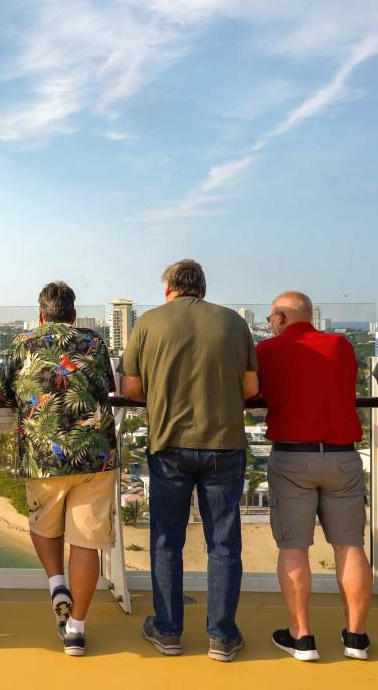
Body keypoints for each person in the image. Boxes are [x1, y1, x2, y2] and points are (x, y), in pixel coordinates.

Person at [121, 259, 258, 663]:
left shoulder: (148, 323)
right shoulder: (234, 322)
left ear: (169, 289)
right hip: (224, 443)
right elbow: (251, 387)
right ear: (203, 287)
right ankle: (222, 636)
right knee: (223, 543)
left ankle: (168, 632)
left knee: (166, 541)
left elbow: (130, 387)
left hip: (169, 445)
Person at [0, 282, 117, 656]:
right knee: (86, 541)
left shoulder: (21, 343)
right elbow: (106, 388)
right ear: (73, 314)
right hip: (93, 456)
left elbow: (7, 389)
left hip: (42, 456)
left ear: (40, 314)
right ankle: (77, 631)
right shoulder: (95, 343)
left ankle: (56, 583)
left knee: (43, 526)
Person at [258, 291, 370, 661]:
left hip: (293, 458)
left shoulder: (268, 351)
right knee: (350, 546)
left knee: (293, 547)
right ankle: (356, 637)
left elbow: (255, 390)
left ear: (280, 317)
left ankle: (302, 638)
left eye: (272, 318)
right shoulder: (341, 345)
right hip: (343, 457)